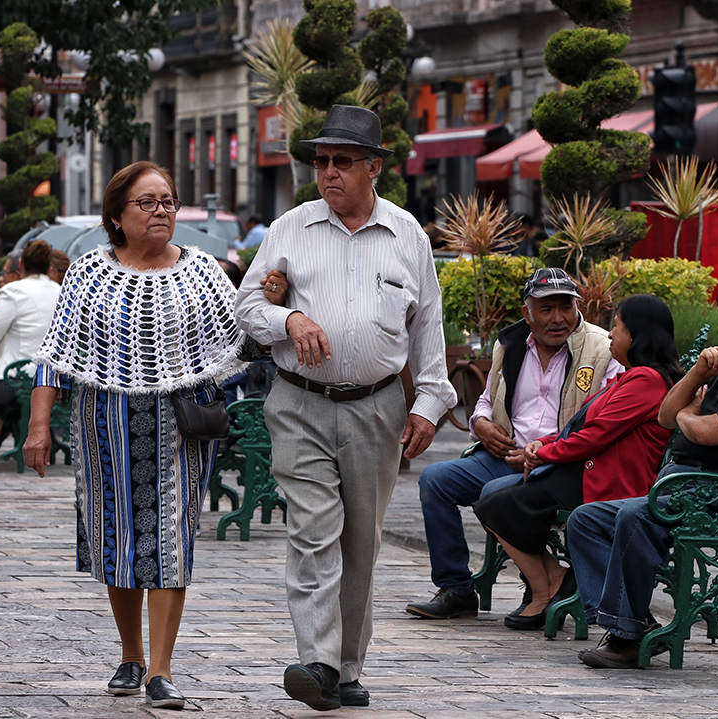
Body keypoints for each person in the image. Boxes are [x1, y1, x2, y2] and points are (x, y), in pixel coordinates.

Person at [235, 104, 457, 711]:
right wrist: (290, 316)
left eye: (341, 161)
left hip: (377, 408)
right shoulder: (291, 227)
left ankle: (345, 668)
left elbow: (427, 327)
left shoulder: (407, 234)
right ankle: (317, 662)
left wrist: (431, 405)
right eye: (321, 161)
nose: (327, 172)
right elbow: (245, 306)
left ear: (373, 168)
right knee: (313, 531)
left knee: (361, 541)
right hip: (299, 403)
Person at [23, 162, 246, 709]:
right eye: (147, 203)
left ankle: (162, 670)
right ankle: (131, 654)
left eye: (167, 201)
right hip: (103, 423)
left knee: (170, 538)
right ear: (118, 216)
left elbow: (233, 348)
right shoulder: (88, 274)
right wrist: (37, 425)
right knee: (118, 535)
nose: (161, 211)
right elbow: (56, 356)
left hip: (180, 425)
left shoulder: (204, 273)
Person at [569, 277, 718, 669]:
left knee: (634, 516)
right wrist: (699, 372)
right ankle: (635, 626)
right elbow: (667, 415)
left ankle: (626, 637)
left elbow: (703, 431)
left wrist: (689, 415)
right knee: (586, 520)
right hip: (691, 488)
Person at [405, 267, 619, 621]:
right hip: (504, 453)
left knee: (494, 492)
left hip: (558, 463)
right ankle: (456, 588)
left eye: (565, 307)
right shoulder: (511, 344)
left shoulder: (601, 349)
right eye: (546, 309)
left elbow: (604, 420)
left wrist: (542, 452)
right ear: (527, 313)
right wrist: (482, 425)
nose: (558, 318)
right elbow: (486, 400)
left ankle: (544, 581)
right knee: (435, 479)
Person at [473, 294, 682, 630]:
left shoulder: (646, 381)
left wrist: (541, 453)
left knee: (497, 505)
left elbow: (594, 437)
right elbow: (581, 426)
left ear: (639, 336)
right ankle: (553, 582)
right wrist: (543, 443)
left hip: (606, 481)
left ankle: (550, 590)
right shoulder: (629, 377)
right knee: (490, 498)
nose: (612, 335)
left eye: (619, 327)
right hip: (581, 470)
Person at [0, 239, 60, 453]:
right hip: (49, 378)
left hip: (15, 379)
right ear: (49, 267)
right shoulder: (59, 290)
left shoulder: (13, 292)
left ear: (21, 265)